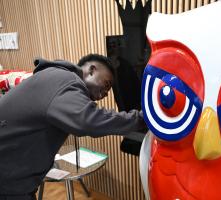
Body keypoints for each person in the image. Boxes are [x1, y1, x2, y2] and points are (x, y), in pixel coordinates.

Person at [0, 54, 146, 199]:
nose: (106, 94)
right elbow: (89, 121)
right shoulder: (65, 80)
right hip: (8, 181)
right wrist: (140, 118)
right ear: (92, 70)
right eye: (106, 84)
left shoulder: (55, 76)